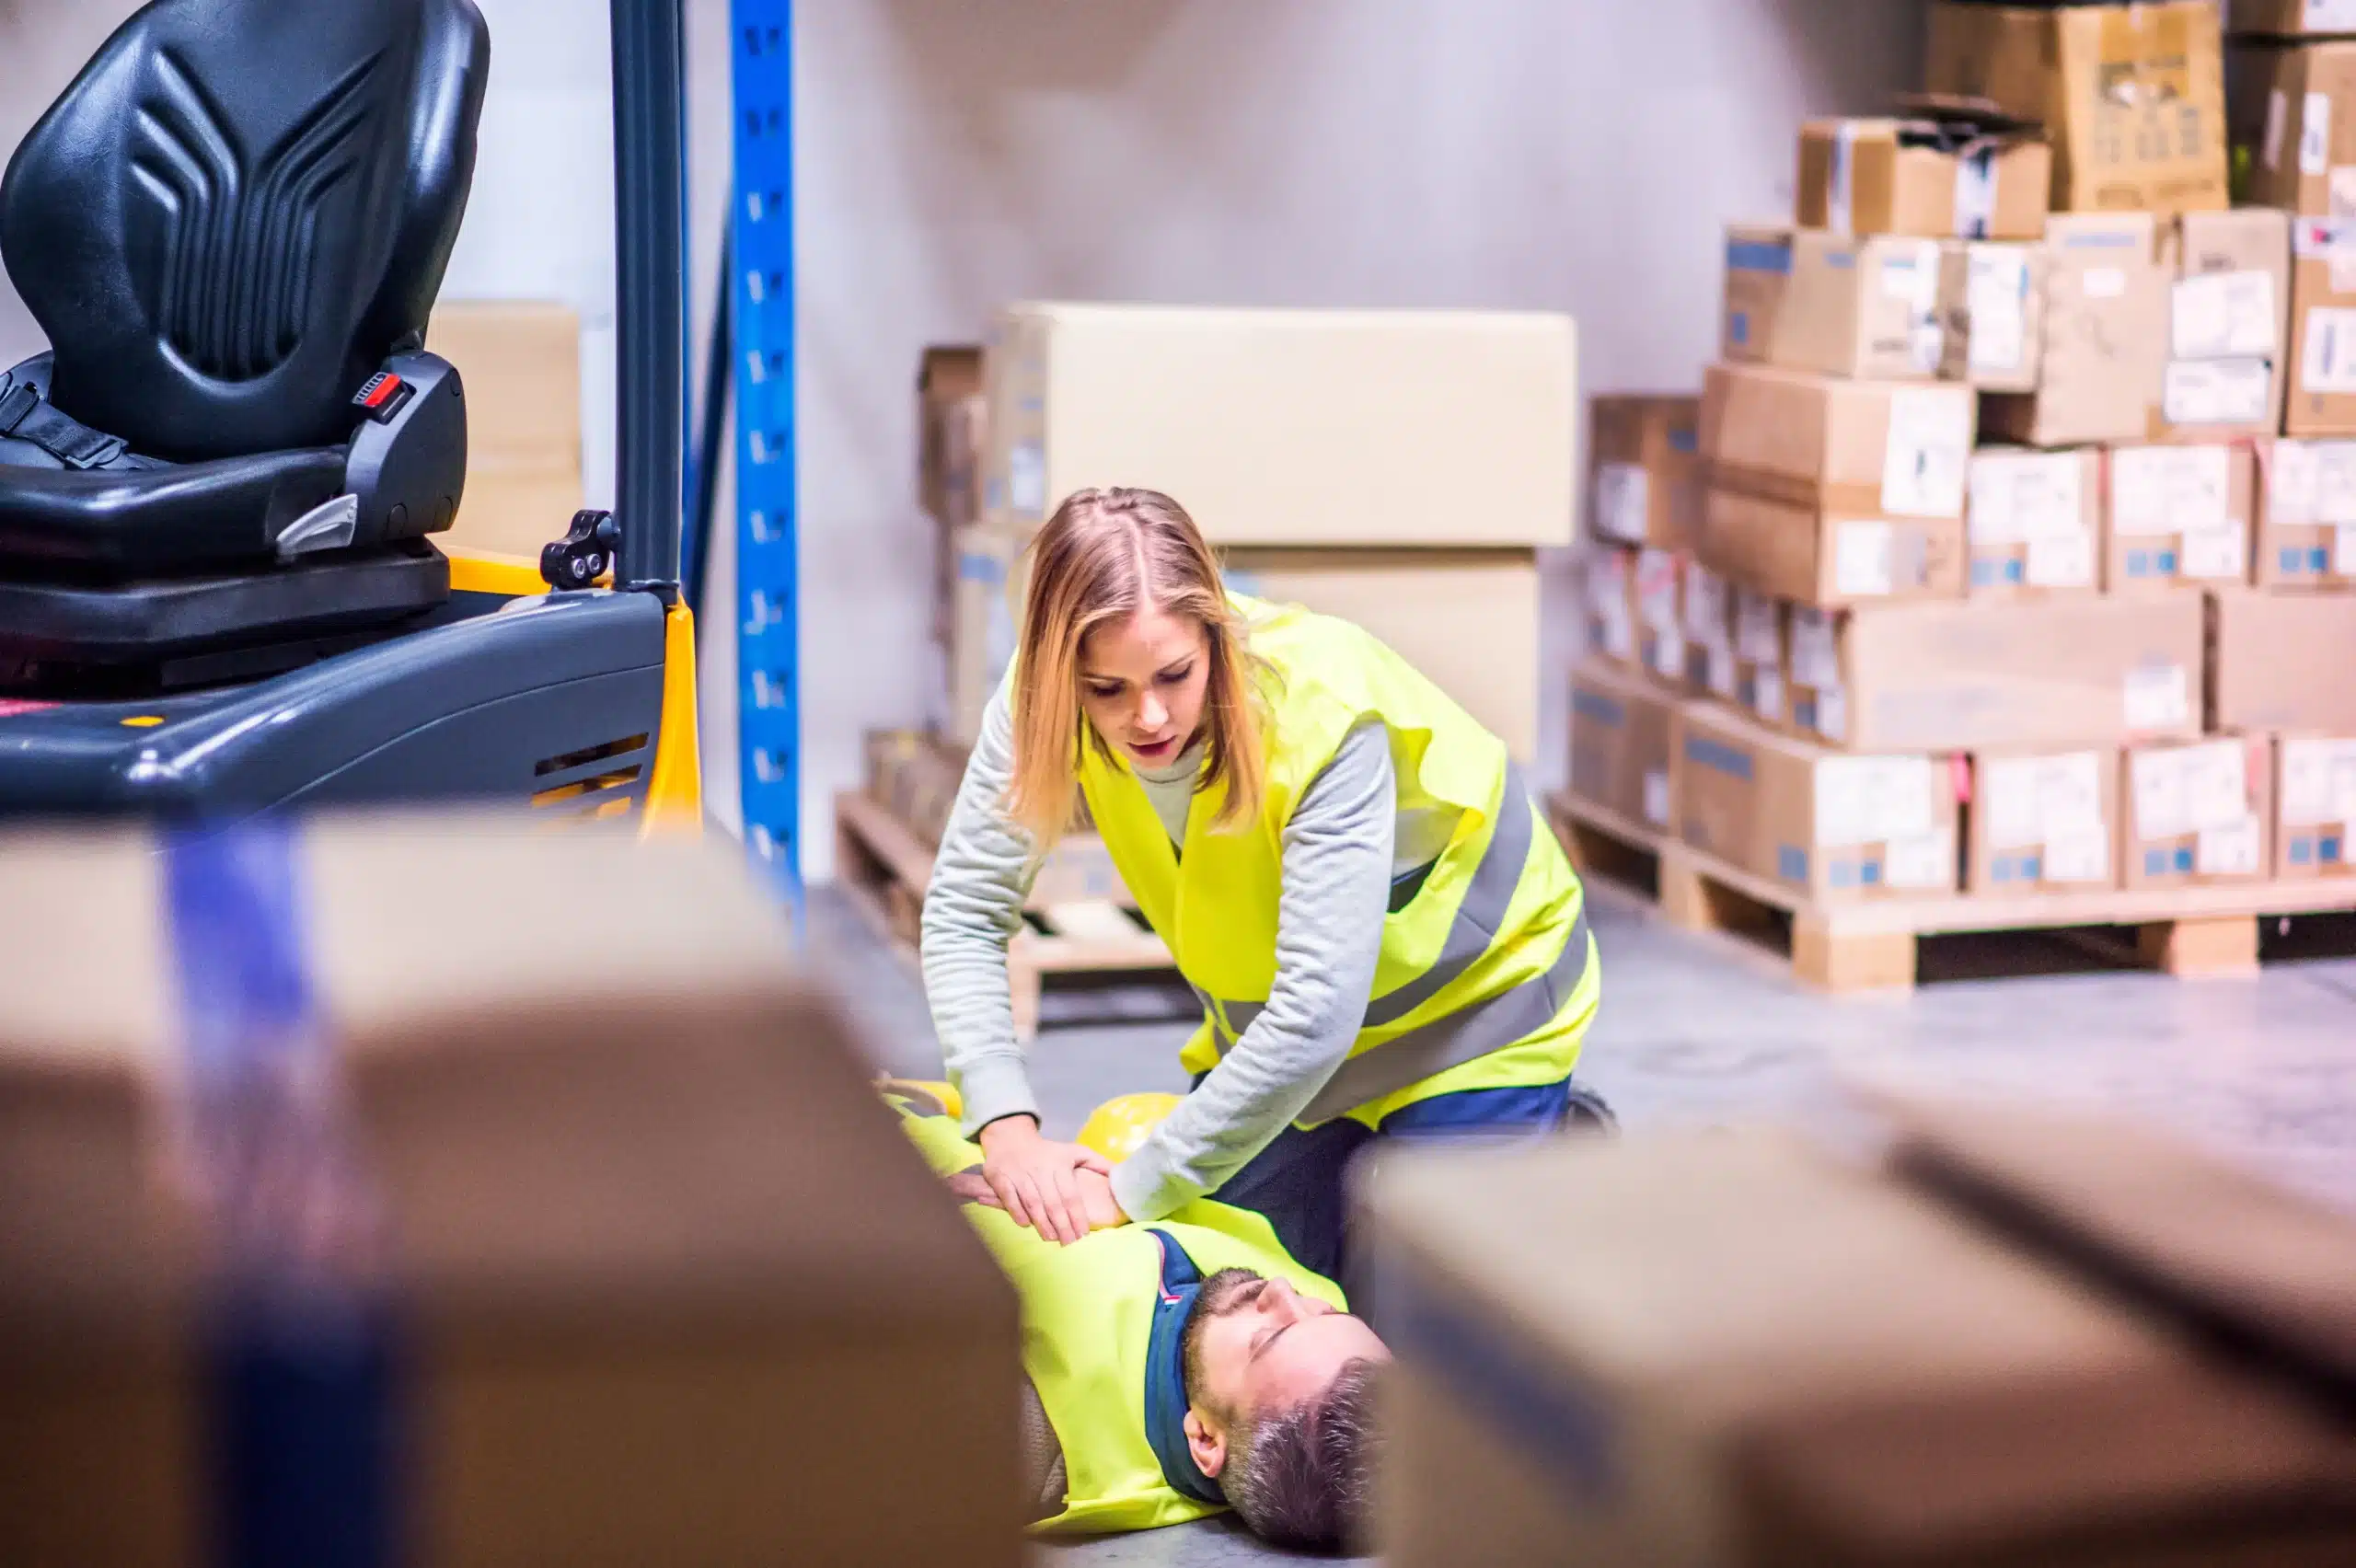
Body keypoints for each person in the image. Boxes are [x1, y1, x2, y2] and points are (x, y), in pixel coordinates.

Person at [921, 487, 1605, 1286]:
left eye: (1175, 675)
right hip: (1290, 1046)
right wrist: (1006, 1127)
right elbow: (965, 912)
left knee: (1428, 1319)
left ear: (1215, 635)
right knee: (1230, 1289)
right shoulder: (1040, 699)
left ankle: (1554, 1153)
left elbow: (1315, 1013)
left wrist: (1131, 1188)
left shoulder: (1318, 707)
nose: (1148, 716)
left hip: (1477, 1017)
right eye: (1107, 689)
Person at [886, 1090, 1387, 1547]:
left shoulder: (1022, 1437)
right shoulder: (1305, 1313)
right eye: (1324, 1312)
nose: (1281, 1292)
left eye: (1268, 1338)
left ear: (1205, 1438)